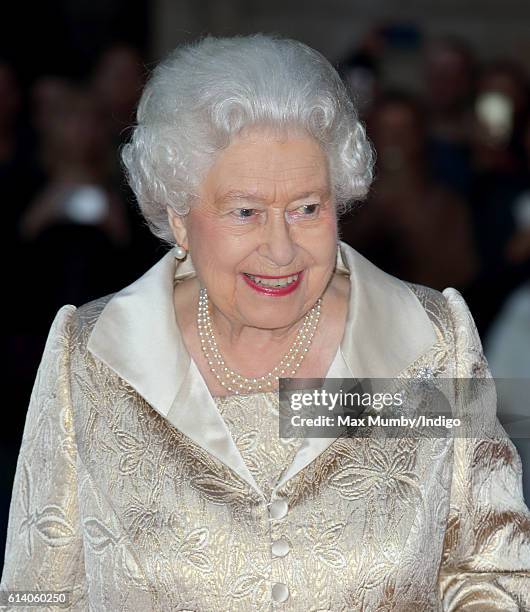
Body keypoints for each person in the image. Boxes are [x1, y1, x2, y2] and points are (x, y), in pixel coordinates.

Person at [1, 34, 529, 611]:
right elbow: (40, 591)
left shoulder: (425, 343)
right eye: (245, 212)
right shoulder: (97, 356)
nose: (281, 251)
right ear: (179, 217)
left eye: (307, 208)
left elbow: (493, 570)